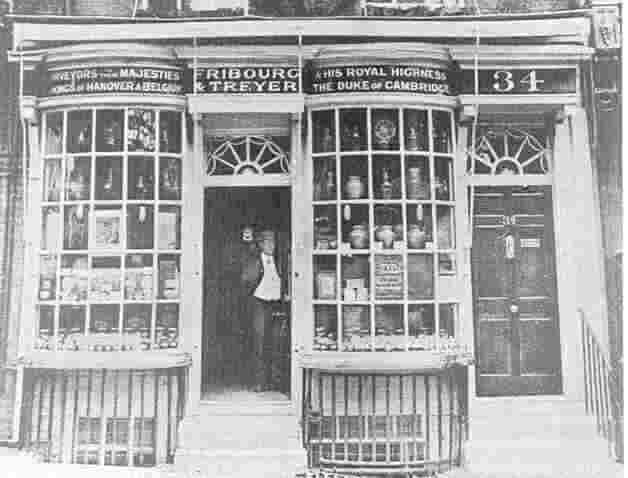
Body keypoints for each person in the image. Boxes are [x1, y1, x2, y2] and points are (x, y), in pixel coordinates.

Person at [241, 228, 289, 392]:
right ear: (260, 244)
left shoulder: (279, 261)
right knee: (260, 343)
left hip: (276, 305)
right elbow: (246, 281)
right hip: (259, 304)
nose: (272, 245)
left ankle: (276, 381)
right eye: (268, 242)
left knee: (277, 342)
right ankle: (259, 382)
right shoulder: (254, 261)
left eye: (273, 242)